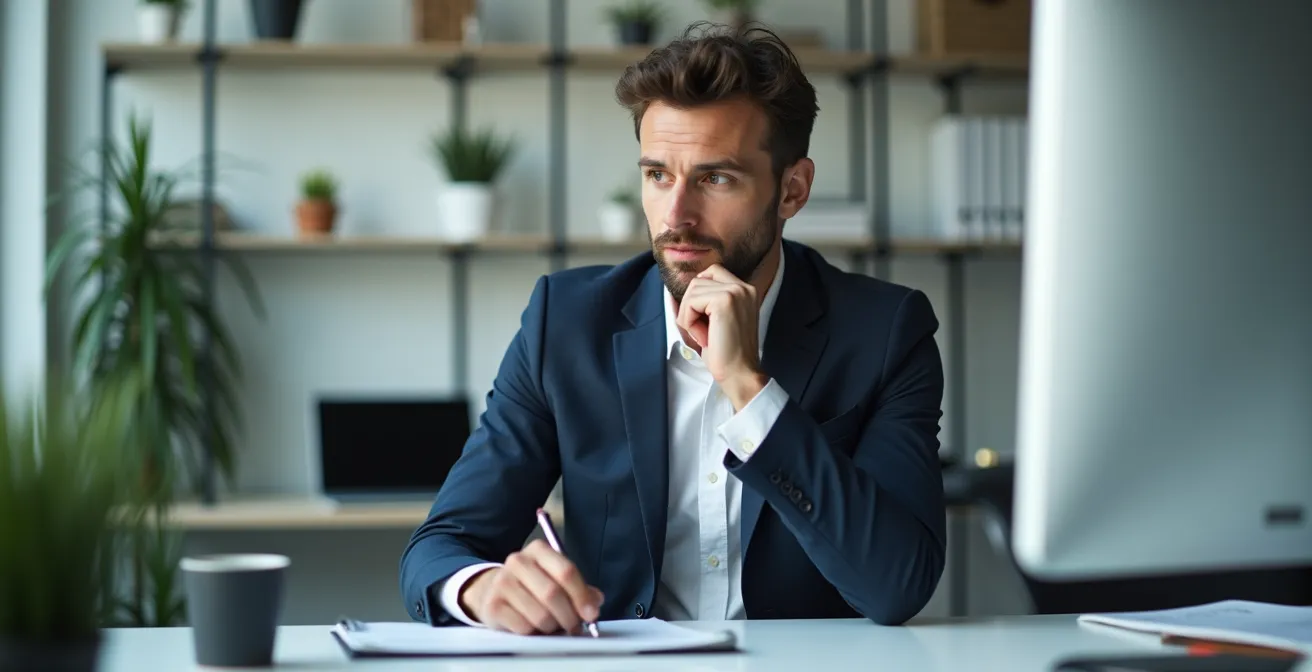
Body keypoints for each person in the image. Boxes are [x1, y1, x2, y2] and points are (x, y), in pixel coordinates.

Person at [399, 23, 946, 633]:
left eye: (716, 179)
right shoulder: (567, 323)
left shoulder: (885, 332)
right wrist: (483, 588)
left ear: (792, 190)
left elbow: (898, 585)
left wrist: (750, 390)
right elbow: (440, 547)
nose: (676, 216)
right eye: (658, 175)